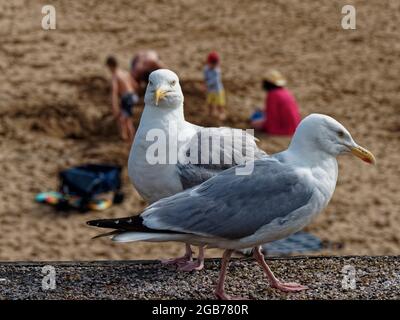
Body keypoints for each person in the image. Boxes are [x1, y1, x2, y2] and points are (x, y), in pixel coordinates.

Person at [251, 69, 301, 136]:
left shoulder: (272, 95)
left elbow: (272, 117)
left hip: (285, 129)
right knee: (259, 114)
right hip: (295, 126)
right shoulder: (284, 92)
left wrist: (261, 124)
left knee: (255, 119)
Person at [105, 56, 138, 142]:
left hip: (127, 97)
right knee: (127, 119)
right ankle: (130, 138)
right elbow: (135, 85)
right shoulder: (125, 73)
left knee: (121, 118)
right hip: (132, 96)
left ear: (110, 66)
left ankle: (125, 137)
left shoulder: (115, 76)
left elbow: (114, 92)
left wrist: (114, 105)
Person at [203, 51, 226, 121]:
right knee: (209, 102)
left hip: (217, 90)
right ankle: (210, 113)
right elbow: (205, 77)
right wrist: (205, 83)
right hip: (210, 90)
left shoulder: (217, 71)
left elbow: (215, 81)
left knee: (219, 103)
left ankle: (221, 113)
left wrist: (206, 85)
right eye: (212, 63)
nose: (214, 65)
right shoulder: (206, 69)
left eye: (215, 64)